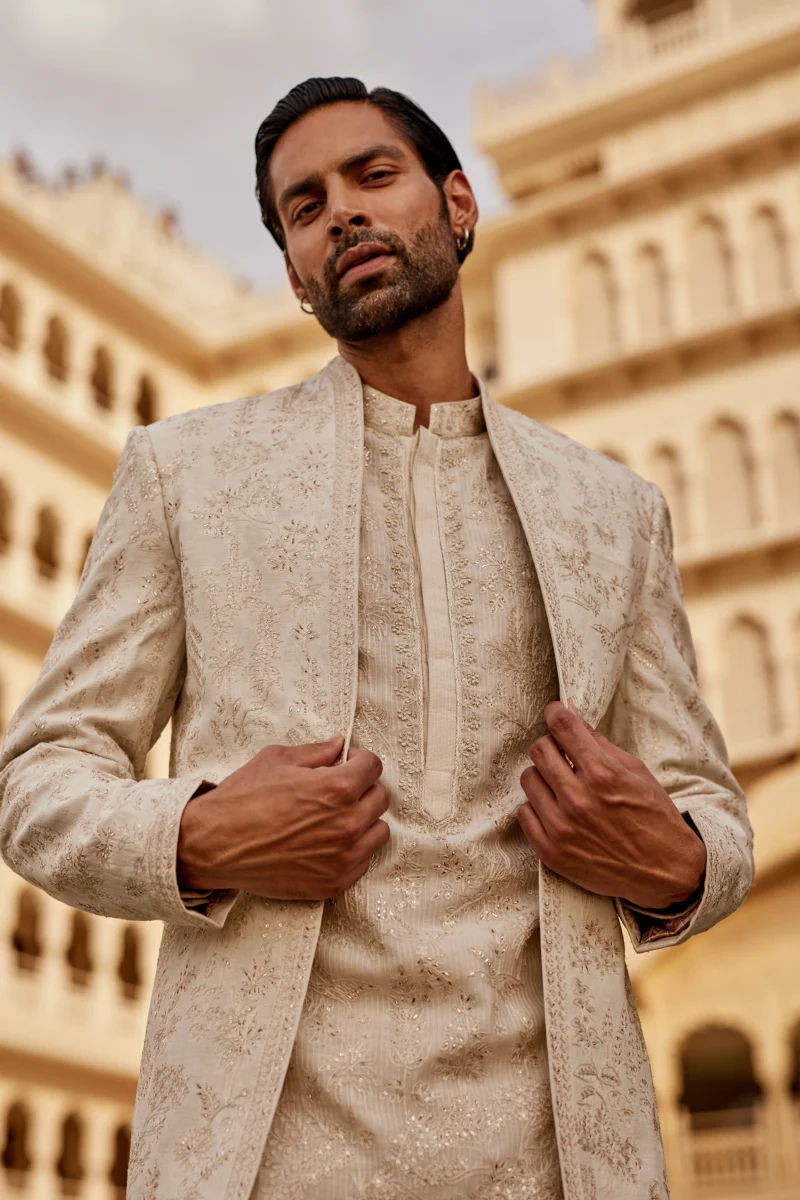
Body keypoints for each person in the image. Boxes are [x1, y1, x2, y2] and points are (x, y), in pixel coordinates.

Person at [0, 77, 753, 1200]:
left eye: (372, 175)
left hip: (555, 1163)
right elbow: (36, 783)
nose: (340, 213)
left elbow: (708, 805)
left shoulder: (609, 513)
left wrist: (680, 864)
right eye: (302, 208)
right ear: (298, 279)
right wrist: (199, 833)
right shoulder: (187, 477)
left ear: (457, 204)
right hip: (264, 1159)